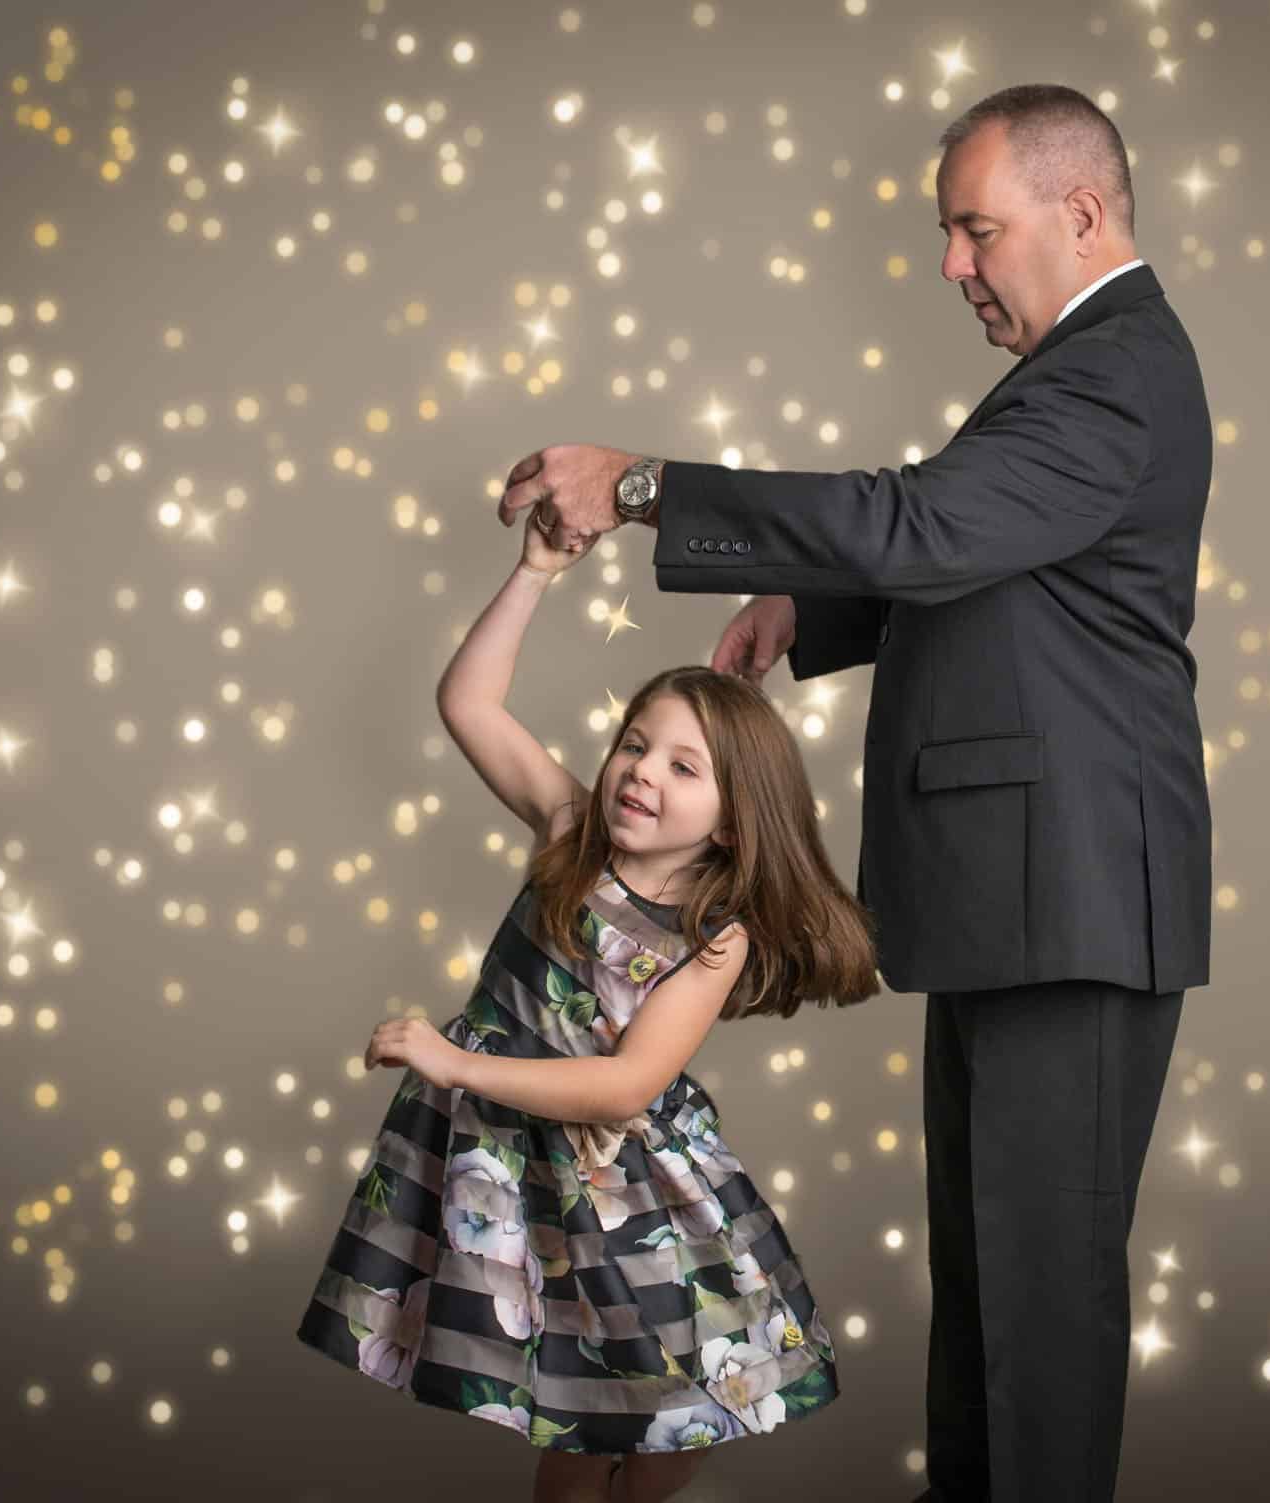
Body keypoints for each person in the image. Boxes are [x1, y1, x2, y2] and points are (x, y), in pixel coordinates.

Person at [498, 83, 1212, 1502]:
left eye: (975, 229)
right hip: (1026, 900)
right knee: (997, 1295)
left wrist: (643, 482)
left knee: (1039, 1311)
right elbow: (1001, 559)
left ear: (1080, 214)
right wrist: (810, 613)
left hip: (1068, 894)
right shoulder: (1089, 368)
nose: (954, 265)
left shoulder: (1115, 366)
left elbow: (933, 520)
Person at [294, 502, 881, 1503]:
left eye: (682, 766)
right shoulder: (572, 834)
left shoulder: (714, 935)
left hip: (630, 1193)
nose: (640, 773)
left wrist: (453, 1060)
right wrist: (533, 575)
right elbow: (470, 705)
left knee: (680, 1413)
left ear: (736, 825)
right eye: (633, 746)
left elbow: (625, 1085)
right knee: (568, 1422)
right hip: (515, 1178)